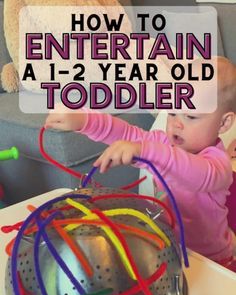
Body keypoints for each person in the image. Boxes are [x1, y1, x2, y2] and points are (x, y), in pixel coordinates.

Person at [45, 56, 236, 271]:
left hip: (214, 263)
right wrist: (85, 120)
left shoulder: (217, 163)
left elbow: (197, 174)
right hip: (169, 248)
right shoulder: (163, 144)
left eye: (191, 116)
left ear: (223, 123)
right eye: (172, 112)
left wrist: (147, 151)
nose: (176, 123)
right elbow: (127, 133)